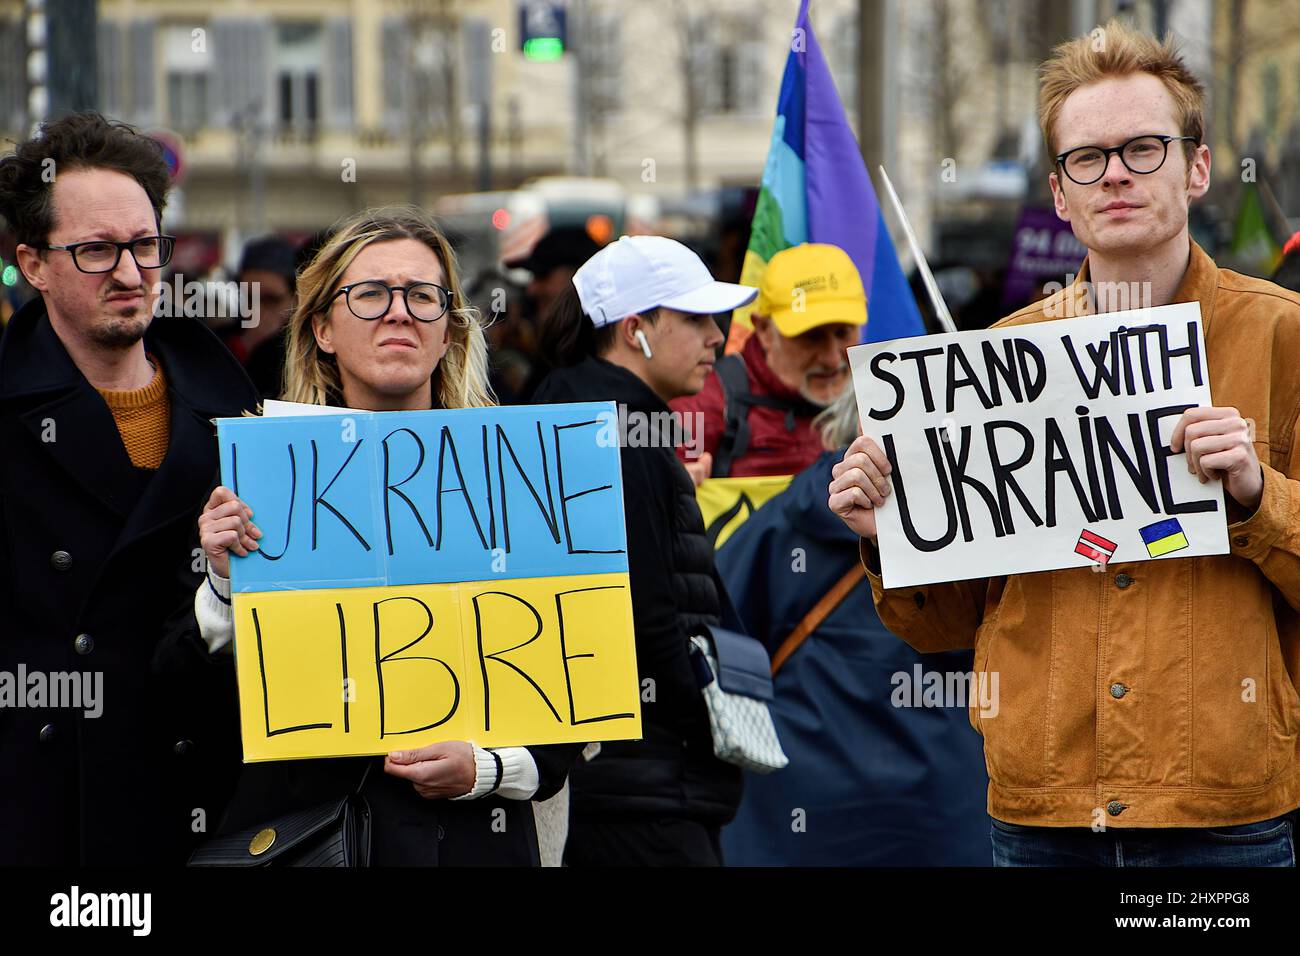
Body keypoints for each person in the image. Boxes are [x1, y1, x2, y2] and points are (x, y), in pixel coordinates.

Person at [829, 19, 1300, 866]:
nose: (1115, 172)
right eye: (1088, 157)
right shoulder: (994, 361)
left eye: (1144, 148)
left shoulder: (1281, 337)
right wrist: (888, 539)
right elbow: (943, 630)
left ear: (1197, 169)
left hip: (1222, 816)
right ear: (1059, 192)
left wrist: (1259, 495)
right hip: (1041, 815)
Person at [190, 206, 583, 865]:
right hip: (315, 844)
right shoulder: (256, 477)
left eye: (422, 296)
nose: (398, 312)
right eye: (370, 294)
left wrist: (483, 770)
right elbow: (190, 700)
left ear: (448, 331)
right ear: (322, 329)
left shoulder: (514, 474)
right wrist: (224, 584)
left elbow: (567, 714)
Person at [0, 111, 259, 865]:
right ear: (34, 263)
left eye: (146, 246)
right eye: (95, 250)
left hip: (208, 811)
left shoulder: (239, 411)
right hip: (50, 814)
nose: (130, 272)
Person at [533, 235, 757, 865]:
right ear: (636, 330)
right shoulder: (621, 432)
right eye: (695, 318)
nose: (718, 336)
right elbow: (647, 618)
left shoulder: (570, 407)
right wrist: (705, 720)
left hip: (599, 776)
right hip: (645, 786)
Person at [716, 387, 991, 865]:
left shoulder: (782, 524)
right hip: (947, 814)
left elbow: (718, 639)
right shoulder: (987, 525)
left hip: (800, 816)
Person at [672, 242, 866, 482]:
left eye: (843, 333)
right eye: (811, 338)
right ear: (764, 330)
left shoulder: (883, 399)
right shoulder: (704, 406)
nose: (831, 358)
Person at [220, 235, 298, 398]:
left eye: (271, 300)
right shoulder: (221, 345)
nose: (258, 311)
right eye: (250, 298)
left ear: (295, 299)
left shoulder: (308, 353)